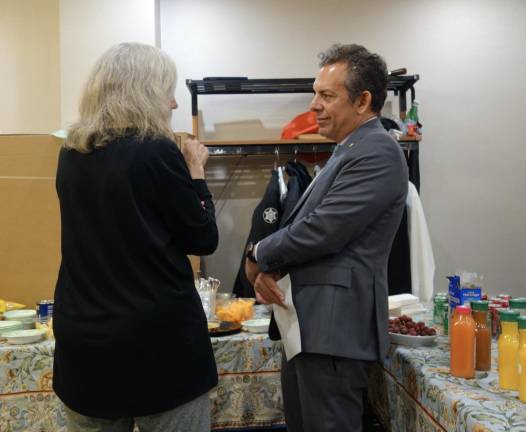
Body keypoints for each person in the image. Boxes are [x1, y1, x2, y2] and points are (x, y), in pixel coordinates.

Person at [53, 43, 218, 432]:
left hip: (84, 341)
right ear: (143, 92)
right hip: (157, 345)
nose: (174, 103)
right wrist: (196, 172)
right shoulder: (156, 152)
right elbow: (203, 237)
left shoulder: (71, 154)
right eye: (167, 90)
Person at [245, 43, 408, 432]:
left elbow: (323, 230)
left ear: (363, 101)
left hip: (333, 333)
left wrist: (260, 252)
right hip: (310, 328)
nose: (313, 106)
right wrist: (272, 269)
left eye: (326, 96)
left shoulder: (377, 152)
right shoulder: (347, 149)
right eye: (314, 94)